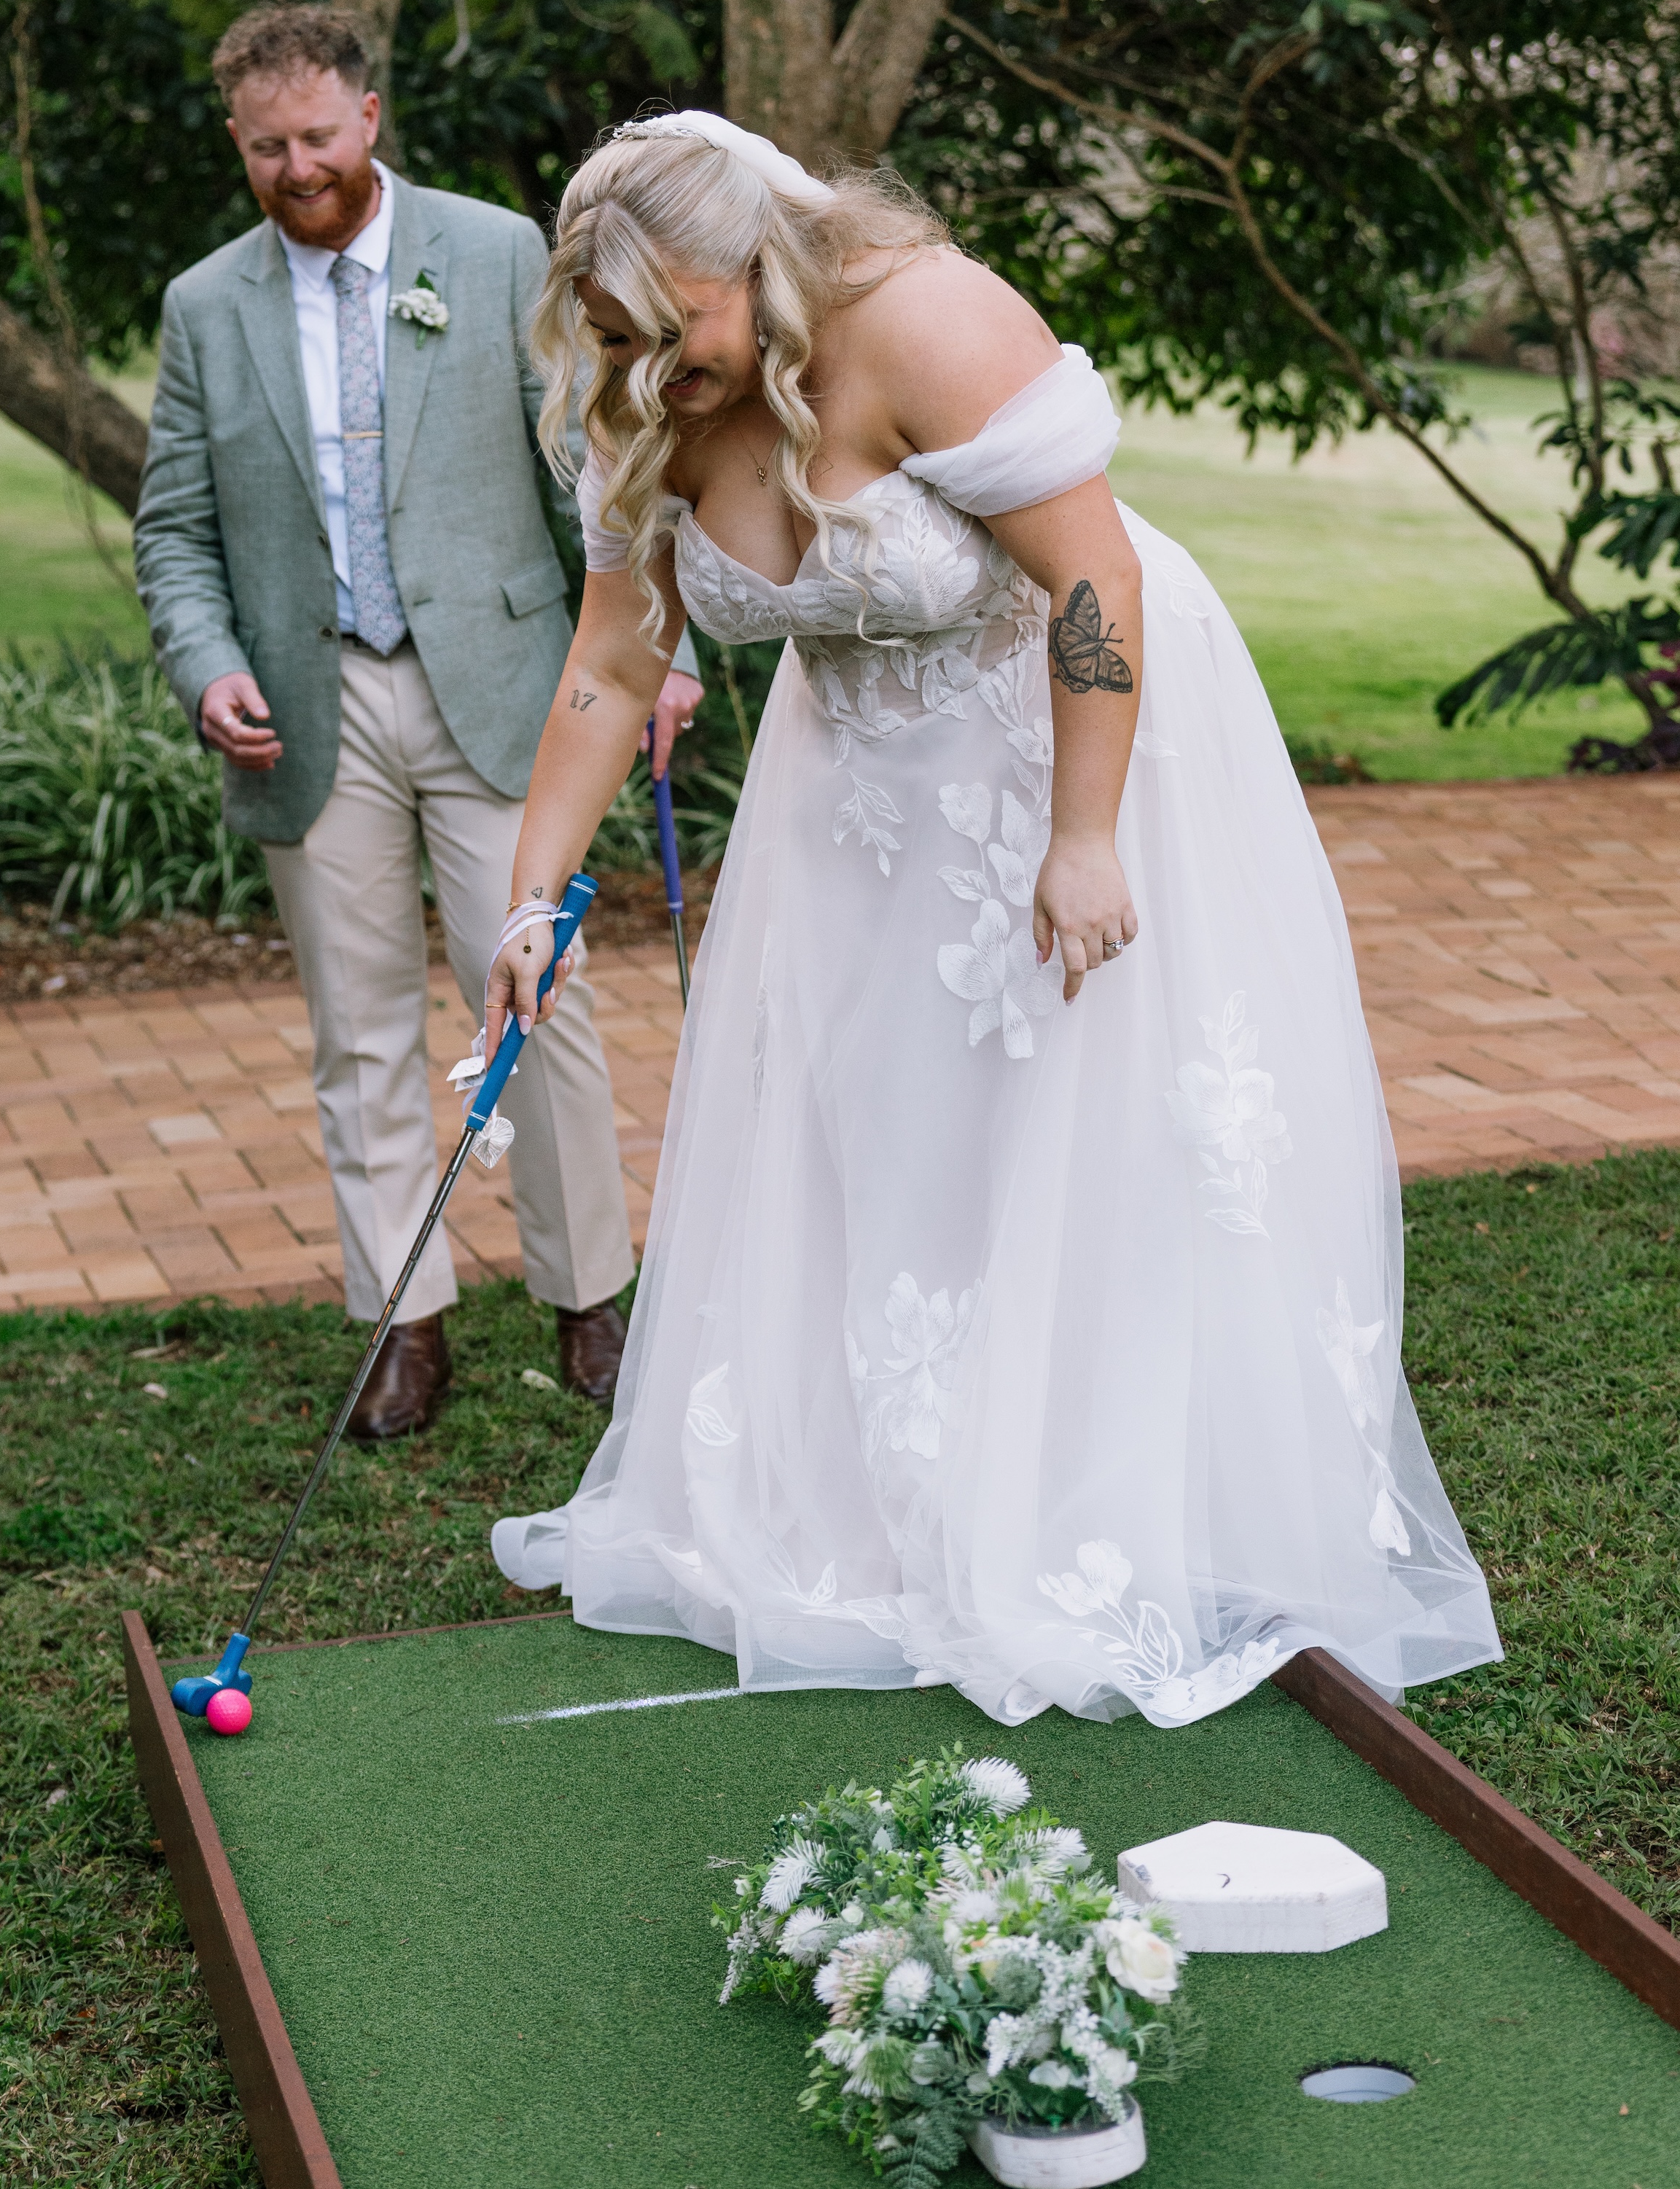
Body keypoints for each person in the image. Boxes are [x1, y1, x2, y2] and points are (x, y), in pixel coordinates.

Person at [486, 109, 1501, 1728]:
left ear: (763, 268)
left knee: (1074, 1135)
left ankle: (1095, 1518)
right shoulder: (641, 398)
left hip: (1065, 746)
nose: (644, 369)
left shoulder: (932, 322)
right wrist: (528, 897)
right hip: (854, 809)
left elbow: (1096, 581)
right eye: (611, 335)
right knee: (876, 1138)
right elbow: (612, 665)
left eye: (672, 331)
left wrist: (1084, 837)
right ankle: (894, 1516)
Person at [135, 3, 702, 1432]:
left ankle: (590, 1301)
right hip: (311, 709)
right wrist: (207, 665)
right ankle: (404, 1323)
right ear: (238, 145)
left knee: (537, 999)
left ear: (369, 120)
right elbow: (174, 529)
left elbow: (595, 468)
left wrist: (650, 652)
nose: (296, 166)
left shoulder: (496, 252)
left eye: (317, 136)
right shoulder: (206, 306)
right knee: (359, 1033)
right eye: (266, 147)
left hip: (502, 697)